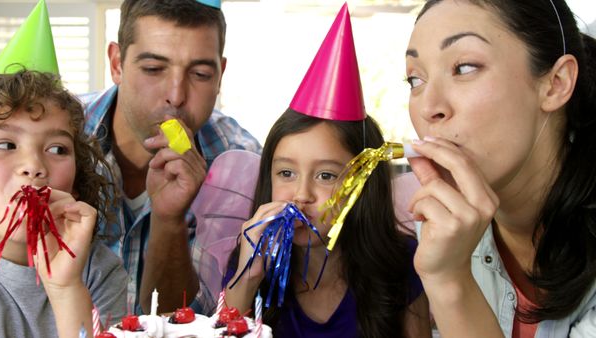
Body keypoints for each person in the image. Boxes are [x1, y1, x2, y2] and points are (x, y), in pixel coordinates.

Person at [224, 5, 431, 337]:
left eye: (326, 176)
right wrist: (247, 278)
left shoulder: (402, 264)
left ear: (363, 184)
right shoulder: (249, 260)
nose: (301, 195)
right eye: (286, 174)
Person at [405, 0, 596, 336]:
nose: (429, 107)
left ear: (556, 83)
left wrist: (451, 282)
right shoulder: (439, 227)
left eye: (463, 67)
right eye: (415, 80)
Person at [81, 0, 261, 315]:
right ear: (117, 63)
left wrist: (169, 220)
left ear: (220, 75)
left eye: (201, 73)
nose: (176, 95)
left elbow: (194, 320)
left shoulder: (242, 165)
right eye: (153, 69)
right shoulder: (58, 138)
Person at [0, 69, 128, 338]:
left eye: (57, 149)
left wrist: (66, 288)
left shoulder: (100, 271)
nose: (34, 167)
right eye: (4, 145)